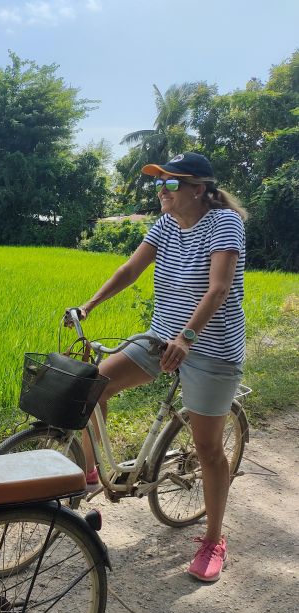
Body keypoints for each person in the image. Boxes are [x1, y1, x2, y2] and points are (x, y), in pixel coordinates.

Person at [73, 152, 247, 583]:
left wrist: (187, 339)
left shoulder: (225, 223)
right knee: (93, 386)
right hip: (162, 336)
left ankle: (213, 539)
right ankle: (91, 474)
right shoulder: (166, 225)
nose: (161, 192)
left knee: (207, 449)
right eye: (158, 184)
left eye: (170, 184)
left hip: (210, 346)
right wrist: (89, 304)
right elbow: (131, 268)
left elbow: (219, 287)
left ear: (198, 189)